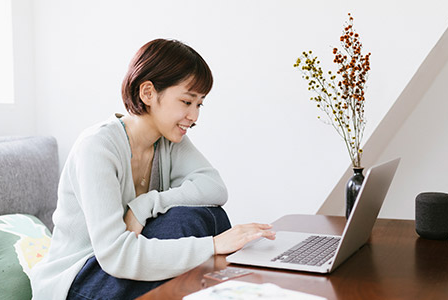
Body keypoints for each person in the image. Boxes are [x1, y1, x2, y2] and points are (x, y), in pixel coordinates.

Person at [30, 38, 276, 300]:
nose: (194, 117)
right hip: (78, 281)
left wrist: (146, 204)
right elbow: (115, 256)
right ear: (148, 93)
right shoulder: (97, 147)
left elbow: (214, 188)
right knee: (189, 222)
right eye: (186, 101)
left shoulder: (168, 140)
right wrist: (214, 245)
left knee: (209, 215)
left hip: (118, 274)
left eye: (199, 104)